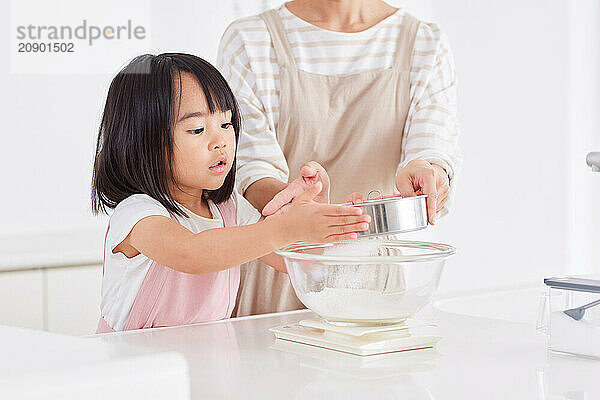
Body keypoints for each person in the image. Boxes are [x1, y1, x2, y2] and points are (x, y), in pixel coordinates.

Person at [91, 53, 370, 332]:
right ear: (144, 142)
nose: (221, 141)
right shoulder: (137, 213)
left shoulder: (228, 206)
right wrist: (282, 228)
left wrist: (313, 221)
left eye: (226, 124)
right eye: (197, 129)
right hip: (132, 365)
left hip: (207, 361)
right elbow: (194, 253)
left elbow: (292, 261)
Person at [217, 0, 462, 316]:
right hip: (278, 270)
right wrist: (302, 215)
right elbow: (248, 168)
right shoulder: (251, 39)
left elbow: (433, 149)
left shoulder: (424, 43)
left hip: (372, 280)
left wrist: (427, 174)